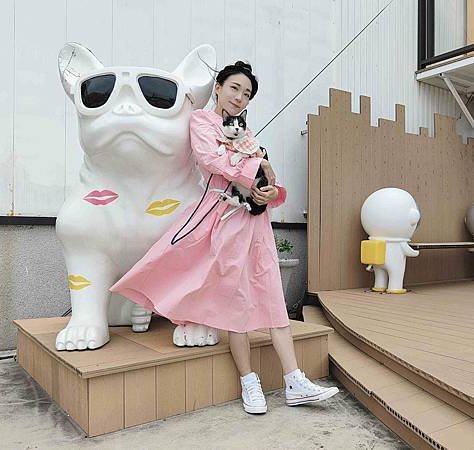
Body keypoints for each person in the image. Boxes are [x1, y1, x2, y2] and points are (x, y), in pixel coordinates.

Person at [110, 61, 338, 414]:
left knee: (272, 296)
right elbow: (211, 159)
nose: (239, 97)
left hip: (256, 223)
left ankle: (295, 380)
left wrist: (270, 190)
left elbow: (262, 175)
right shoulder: (201, 122)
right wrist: (258, 166)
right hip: (225, 217)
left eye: (246, 94)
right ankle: (249, 382)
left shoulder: (246, 133)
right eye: (234, 88)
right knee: (236, 303)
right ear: (218, 88)